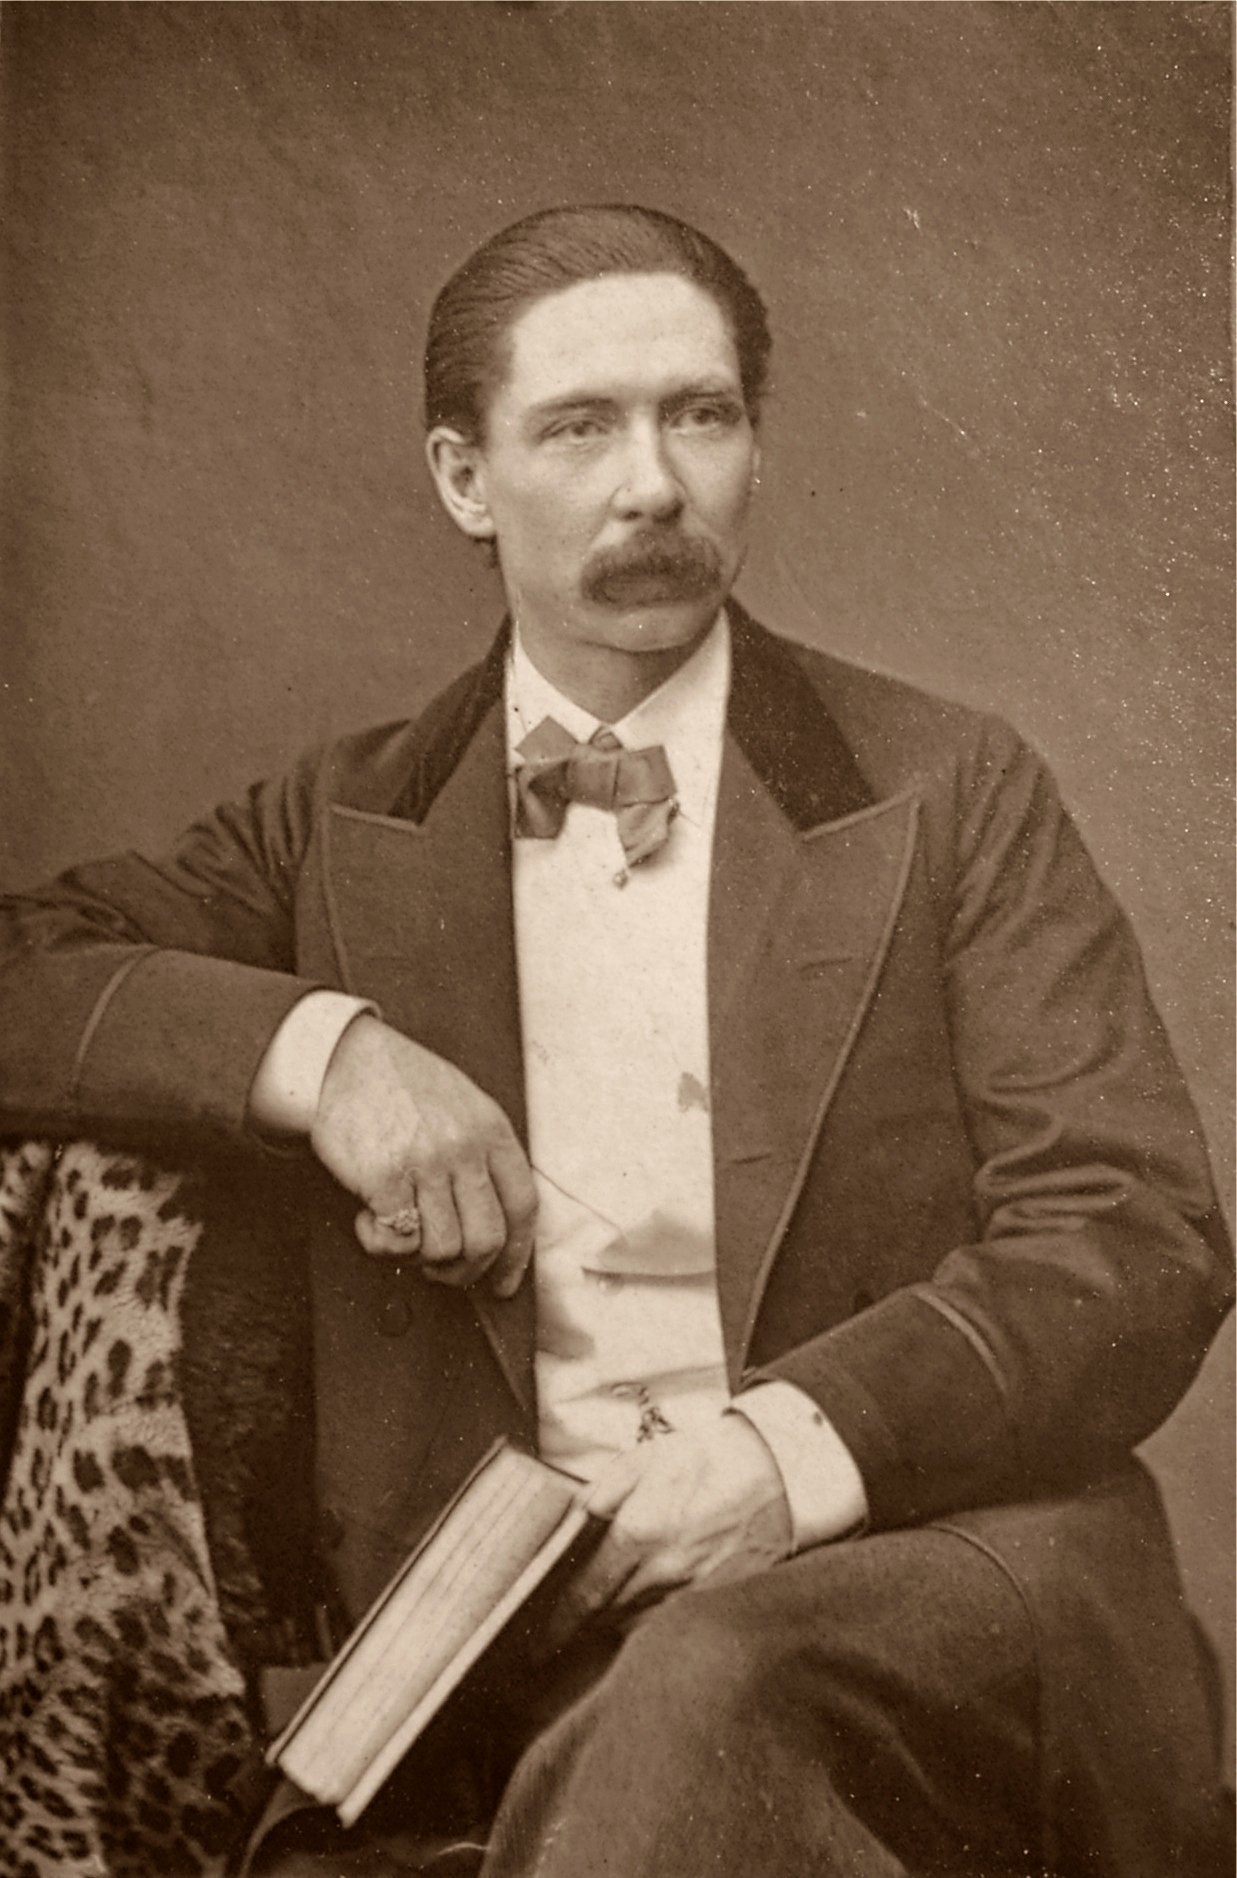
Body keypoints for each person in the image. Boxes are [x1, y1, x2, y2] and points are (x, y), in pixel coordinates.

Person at [0, 204, 1231, 1877]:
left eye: (698, 414)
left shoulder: (949, 787)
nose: (652, 481)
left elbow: (1133, 1233)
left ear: (752, 448)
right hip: (494, 1648)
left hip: (925, 1573)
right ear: (464, 479)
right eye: (579, 427)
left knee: (705, 1688)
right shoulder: (337, 825)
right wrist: (331, 1052)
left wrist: (784, 1456)